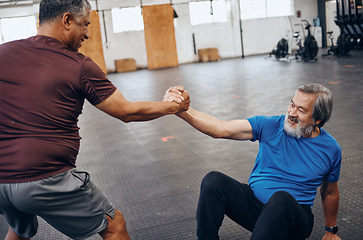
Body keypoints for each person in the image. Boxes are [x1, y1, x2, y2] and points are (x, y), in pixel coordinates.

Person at [0, 0, 189, 239]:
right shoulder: (77, 65)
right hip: (42, 178)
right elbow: (126, 111)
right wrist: (172, 106)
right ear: (67, 20)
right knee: (114, 225)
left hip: (1, 181)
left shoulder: (3, 52)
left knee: (18, 228)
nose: (87, 34)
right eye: (85, 24)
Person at [167, 83, 341, 240]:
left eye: (301, 110)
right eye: (292, 104)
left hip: (294, 220)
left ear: (317, 119)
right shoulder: (271, 125)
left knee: (281, 198)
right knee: (213, 181)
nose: (291, 113)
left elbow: (330, 192)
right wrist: (180, 109)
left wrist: (330, 232)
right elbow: (220, 128)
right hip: (255, 208)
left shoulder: (330, 149)